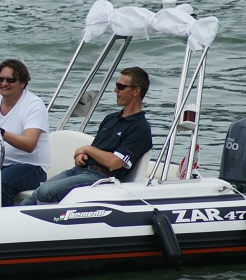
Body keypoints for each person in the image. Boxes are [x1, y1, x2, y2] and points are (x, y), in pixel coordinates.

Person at [21, 66, 153, 205]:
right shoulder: (111, 118)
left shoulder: (140, 128)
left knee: (45, 192)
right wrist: (82, 157)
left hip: (102, 178)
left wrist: (87, 149)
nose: (115, 90)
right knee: (36, 192)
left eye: (120, 86)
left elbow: (114, 162)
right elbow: (98, 150)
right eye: (116, 85)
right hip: (81, 170)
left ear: (136, 91)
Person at [0, 59, 51, 206]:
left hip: (32, 167)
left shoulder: (33, 105)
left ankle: (4, 224)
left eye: (10, 80)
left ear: (23, 83)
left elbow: (29, 144)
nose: (4, 83)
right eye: (0, 79)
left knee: (1, 183)